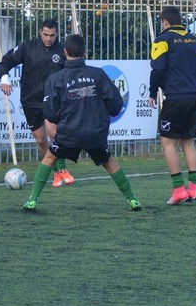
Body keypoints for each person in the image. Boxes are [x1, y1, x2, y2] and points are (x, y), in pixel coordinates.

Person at [23, 34, 142, 212]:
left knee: (50, 157)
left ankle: (32, 200)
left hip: (69, 133)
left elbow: (50, 113)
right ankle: (132, 199)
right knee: (109, 162)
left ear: (65, 52)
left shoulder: (56, 78)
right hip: (95, 133)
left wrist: (63, 118)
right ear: (84, 52)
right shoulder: (98, 74)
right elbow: (116, 105)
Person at [0, 18, 75, 188]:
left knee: (54, 133)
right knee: (40, 140)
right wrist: (4, 78)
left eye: (52, 35)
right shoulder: (28, 47)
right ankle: (56, 172)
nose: (48, 38)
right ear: (40, 32)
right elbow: (5, 62)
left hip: (52, 100)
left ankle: (62, 169)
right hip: (30, 100)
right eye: (45, 34)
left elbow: (72, 73)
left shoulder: (62, 51)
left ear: (57, 34)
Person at [149, 6, 196, 205]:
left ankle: (179, 190)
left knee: (168, 143)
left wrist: (152, 92)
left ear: (164, 22)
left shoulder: (162, 40)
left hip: (176, 98)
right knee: (188, 141)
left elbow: (157, 68)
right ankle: (194, 189)